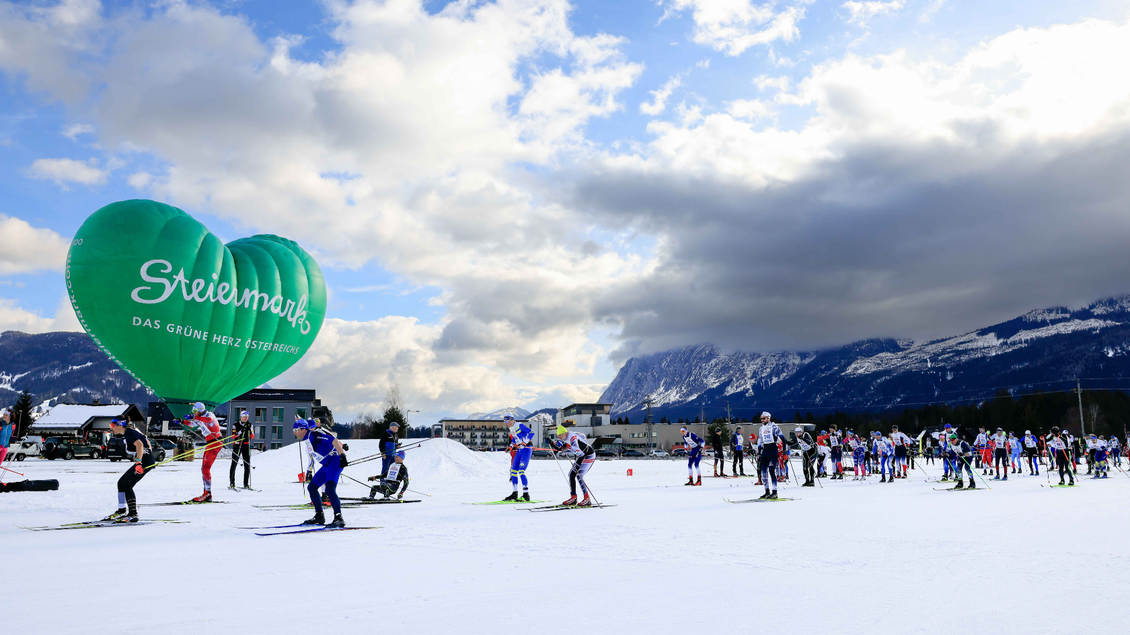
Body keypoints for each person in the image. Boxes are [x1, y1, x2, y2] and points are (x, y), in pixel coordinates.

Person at [294, 418, 348, 527]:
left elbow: (334, 440)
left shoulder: (315, 435)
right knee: (312, 487)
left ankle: (339, 517)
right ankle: (319, 515)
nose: (294, 432)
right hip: (326, 465)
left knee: (329, 489)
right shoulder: (307, 439)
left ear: (303, 429)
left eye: (296, 430)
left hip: (334, 462)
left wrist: (342, 455)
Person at [104, 417, 155, 523]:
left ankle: (133, 513)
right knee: (121, 483)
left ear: (120, 425)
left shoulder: (129, 433)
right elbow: (146, 441)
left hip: (144, 462)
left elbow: (140, 444)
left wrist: (139, 462)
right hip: (145, 460)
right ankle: (122, 510)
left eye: (112, 425)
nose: (111, 428)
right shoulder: (129, 432)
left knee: (127, 485)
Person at [182, 402, 222, 502]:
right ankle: (207, 493)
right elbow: (192, 424)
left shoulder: (209, 415)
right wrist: (182, 421)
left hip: (215, 442)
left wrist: (193, 417)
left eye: (195, 412)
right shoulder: (198, 417)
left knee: (205, 468)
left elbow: (209, 420)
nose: (194, 414)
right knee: (204, 468)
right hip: (210, 443)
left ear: (200, 411)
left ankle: (207, 494)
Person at [550, 425, 597, 506]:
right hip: (582, 455)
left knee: (579, 475)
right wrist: (552, 444)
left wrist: (565, 445)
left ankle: (587, 498)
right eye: (558, 436)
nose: (560, 437)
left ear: (565, 433)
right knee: (571, 474)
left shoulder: (572, 437)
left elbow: (577, 449)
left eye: (560, 435)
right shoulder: (567, 438)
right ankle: (573, 497)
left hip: (589, 455)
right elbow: (563, 449)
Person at [503, 415, 534, 501]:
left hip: (526, 450)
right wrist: (511, 446)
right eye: (504, 422)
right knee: (513, 471)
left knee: (521, 471)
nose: (506, 424)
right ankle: (514, 493)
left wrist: (524, 442)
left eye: (506, 422)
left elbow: (532, 433)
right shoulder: (512, 428)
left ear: (511, 420)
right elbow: (514, 439)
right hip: (519, 451)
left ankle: (526, 494)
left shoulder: (519, 425)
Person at [756, 412, 785, 499]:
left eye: (764, 418)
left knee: (772, 470)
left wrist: (784, 450)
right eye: (761, 419)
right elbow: (761, 440)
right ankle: (767, 491)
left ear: (768, 418)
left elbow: (782, 438)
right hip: (765, 450)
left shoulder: (774, 426)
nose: (762, 420)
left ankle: (775, 492)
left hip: (773, 449)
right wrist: (759, 451)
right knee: (763, 472)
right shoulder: (761, 428)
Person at [228, 410, 255, 490]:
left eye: (247, 417)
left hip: (246, 445)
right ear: (241, 417)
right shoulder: (235, 425)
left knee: (247, 464)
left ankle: (246, 483)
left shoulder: (250, 425)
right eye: (245, 417)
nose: (246, 418)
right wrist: (240, 432)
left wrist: (250, 432)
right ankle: (232, 483)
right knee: (234, 463)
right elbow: (233, 436)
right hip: (237, 445)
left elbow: (252, 436)